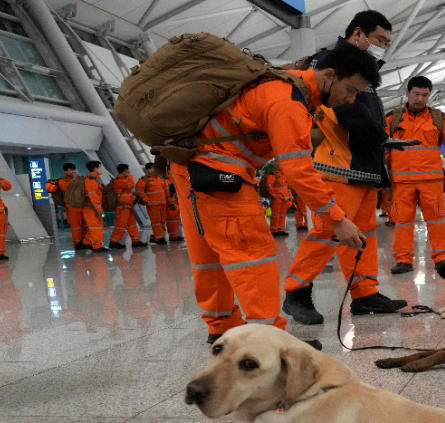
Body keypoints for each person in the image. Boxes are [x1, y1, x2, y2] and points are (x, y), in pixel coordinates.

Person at [168, 43, 374, 342]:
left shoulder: (283, 84)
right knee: (252, 253)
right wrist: (337, 217)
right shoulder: (288, 101)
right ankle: (271, 340)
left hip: (190, 168)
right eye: (351, 90)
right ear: (330, 75)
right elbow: (297, 170)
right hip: (220, 171)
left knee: (208, 255)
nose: (351, 99)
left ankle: (222, 328)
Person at [283, 10, 407, 324]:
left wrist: (381, 141)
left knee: (363, 234)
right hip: (340, 164)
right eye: (379, 39)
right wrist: (379, 134)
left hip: (364, 167)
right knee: (328, 230)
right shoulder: (331, 62)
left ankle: (365, 294)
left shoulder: (364, 73)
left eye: (387, 42)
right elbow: (340, 108)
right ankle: (296, 291)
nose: (383, 46)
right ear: (357, 34)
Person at [385, 75, 445, 274]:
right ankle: (403, 260)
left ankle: (442, 258)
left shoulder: (440, 119)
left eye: (424, 95)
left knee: (437, 220)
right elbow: (382, 147)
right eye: (416, 94)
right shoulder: (391, 119)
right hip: (402, 181)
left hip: (431, 181)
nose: (420, 99)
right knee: (402, 222)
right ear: (407, 93)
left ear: (429, 95)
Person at [45, 163, 87, 249]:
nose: (73, 171)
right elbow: (68, 189)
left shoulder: (81, 179)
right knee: (75, 226)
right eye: (71, 170)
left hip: (83, 205)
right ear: (65, 171)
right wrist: (75, 179)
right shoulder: (62, 181)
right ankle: (77, 243)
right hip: (71, 206)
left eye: (74, 169)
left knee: (85, 225)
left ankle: (85, 241)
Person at [108, 164, 146, 249]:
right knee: (121, 225)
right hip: (122, 207)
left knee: (132, 224)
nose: (129, 171)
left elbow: (129, 186)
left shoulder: (121, 179)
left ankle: (135, 241)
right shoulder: (118, 180)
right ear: (125, 170)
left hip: (128, 206)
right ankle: (113, 241)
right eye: (128, 169)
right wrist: (129, 177)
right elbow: (131, 184)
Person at [136, 162, 168, 245]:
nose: (154, 170)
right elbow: (139, 191)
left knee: (162, 221)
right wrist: (147, 200)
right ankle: (159, 238)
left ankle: (155, 236)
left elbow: (165, 190)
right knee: (156, 222)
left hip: (163, 204)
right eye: (152, 168)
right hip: (153, 205)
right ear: (148, 170)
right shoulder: (144, 180)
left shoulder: (160, 178)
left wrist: (169, 200)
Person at [81, 160, 109, 253]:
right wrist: (98, 208)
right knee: (96, 227)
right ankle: (97, 246)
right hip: (91, 208)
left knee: (95, 226)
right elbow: (93, 195)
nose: (102, 169)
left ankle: (87, 242)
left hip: (91, 207)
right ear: (95, 168)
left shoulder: (94, 179)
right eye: (100, 167)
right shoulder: (91, 180)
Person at [265, 170, 292, 236]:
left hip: (284, 198)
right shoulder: (273, 175)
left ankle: (281, 230)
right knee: (275, 215)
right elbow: (269, 186)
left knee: (282, 215)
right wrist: (274, 195)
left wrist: (289, 196)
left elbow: (287, 187)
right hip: (277, 198)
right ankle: (274, 231)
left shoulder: (284, 175)